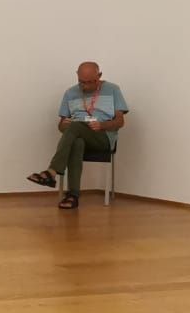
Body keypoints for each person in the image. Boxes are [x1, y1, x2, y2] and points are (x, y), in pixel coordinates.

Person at [27, 62, 128, 209]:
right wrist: (64, 125)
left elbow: (120, 122)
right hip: (77, 133)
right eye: (81, 82)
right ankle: (73, 196)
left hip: (102, 136)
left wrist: (102, 125)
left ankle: (52, 172)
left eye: (89, 82)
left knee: (75, 127)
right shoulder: (70, 93)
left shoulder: (113, 89)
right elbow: (61, 126)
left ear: (99, 76)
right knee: (77, 142)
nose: (84, 86)